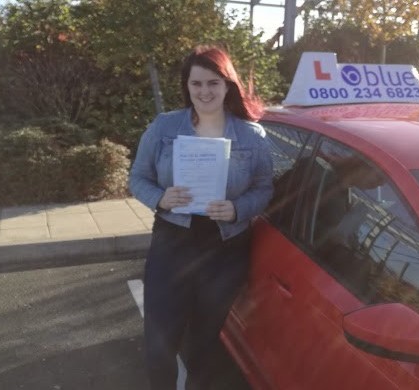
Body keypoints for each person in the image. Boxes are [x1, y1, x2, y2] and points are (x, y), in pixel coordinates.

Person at [128, 45, 274, 390]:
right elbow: (137, 178)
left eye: (213, 83)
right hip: (173, 242)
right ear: (187, 86)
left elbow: (265, 187)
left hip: (224, 248)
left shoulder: (252, 137)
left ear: (227, 86)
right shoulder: (164, 128)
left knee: (205, 345)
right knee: (159, 345)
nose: (205, 92)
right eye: (197, 84)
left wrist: (238, 208)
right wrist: (160, 198)